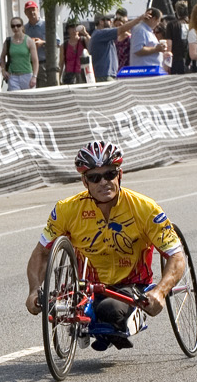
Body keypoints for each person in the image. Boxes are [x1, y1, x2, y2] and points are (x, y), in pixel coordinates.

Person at [24, 140, 186, 352]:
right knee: (58, 307)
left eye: (110, 174)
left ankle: (112, 327)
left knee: (109, 310)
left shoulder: (145, 208)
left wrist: (161, 291)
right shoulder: (66, 210)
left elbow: (176, 255)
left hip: (130, 284)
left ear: (120, 175)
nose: (103, 182)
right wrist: (34, 290)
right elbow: (42, 253)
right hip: (85, 286)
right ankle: (101, 327)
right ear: (85, 182)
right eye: (94, 177)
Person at [2, 17, 38, 90]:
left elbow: (35, 61)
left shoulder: (29, 41)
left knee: (28, 99)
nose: (15, 28)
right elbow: (2, 57)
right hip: (13, 76)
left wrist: (34, 76)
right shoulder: (8, 41)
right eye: (13, 26)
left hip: (27, 75)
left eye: (18, 25)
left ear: (22, 26)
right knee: (15, 99)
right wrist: (3, 70)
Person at [129, 8, 170, 72]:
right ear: (153, 19)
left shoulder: (148, 30)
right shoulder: (140, 30)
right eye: (158, 21)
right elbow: (137, 49)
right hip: (143, 72)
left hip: (150, 70)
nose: (158, 24)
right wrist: (156, 49)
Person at [164, 2, 191, 76]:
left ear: (177, 11)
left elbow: (169, 45)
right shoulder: (191, 24)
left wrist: (168, 63)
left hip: (176, 59)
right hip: (190, 58)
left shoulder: (172, 24)